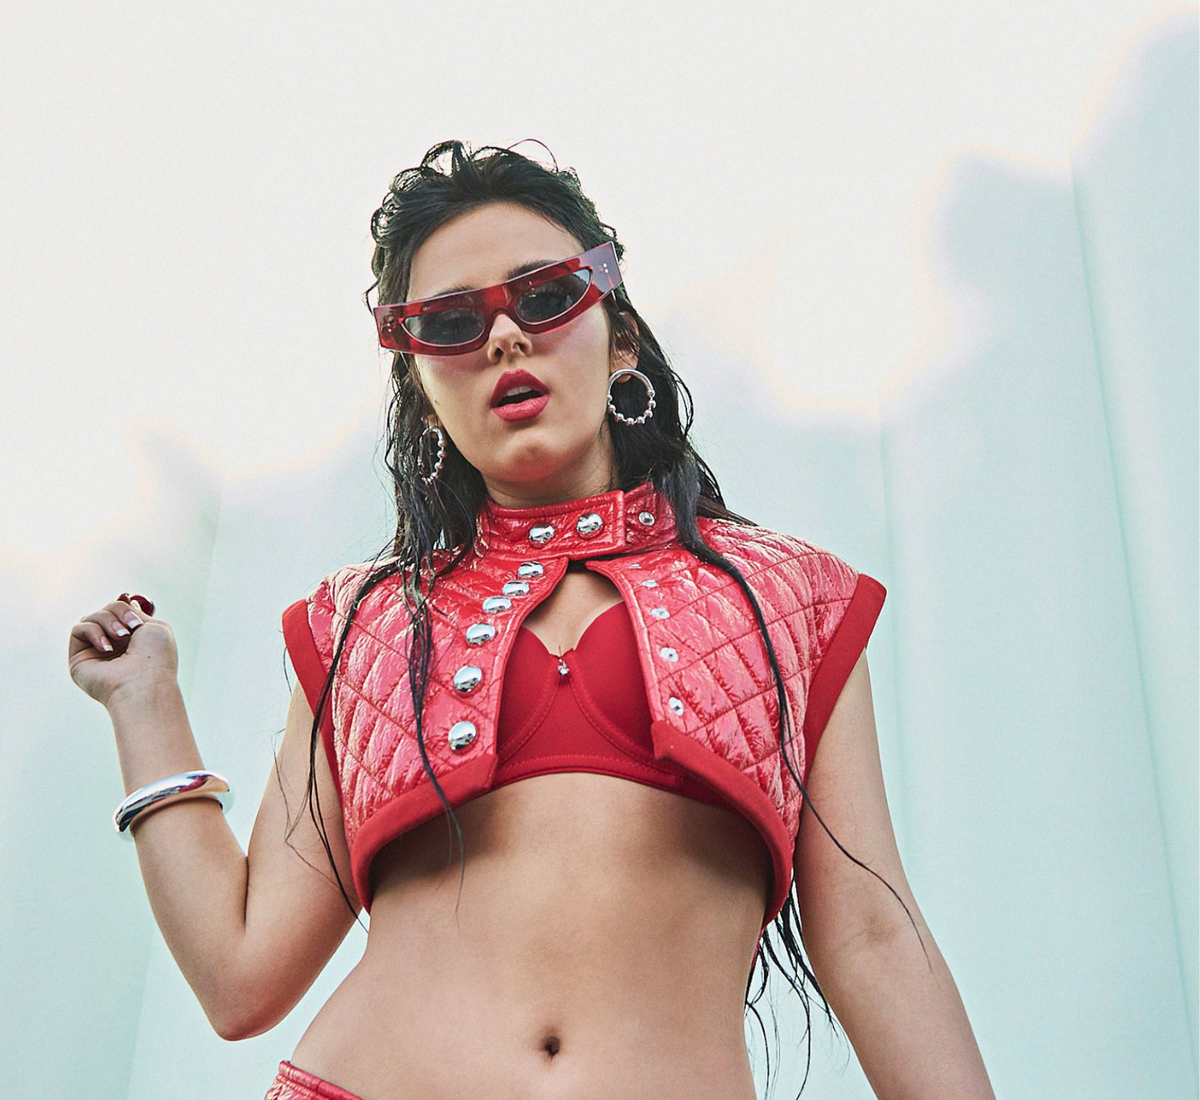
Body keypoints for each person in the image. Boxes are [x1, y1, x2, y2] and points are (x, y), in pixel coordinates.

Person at [68, 140, 996, 1100]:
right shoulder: (366, 624)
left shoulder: (790, 599)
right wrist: (145, 704)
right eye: (452, 323)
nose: (504, 338)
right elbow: (240, 978)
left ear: (620, 336)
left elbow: (877, 940)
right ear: (422, 394)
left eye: (546, 295)